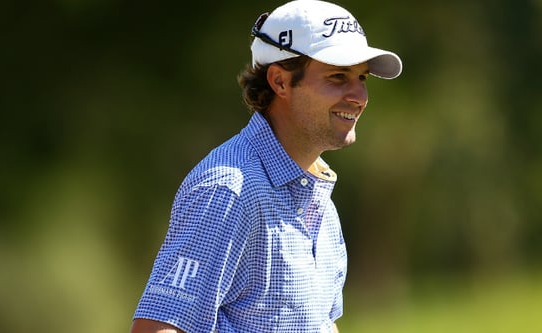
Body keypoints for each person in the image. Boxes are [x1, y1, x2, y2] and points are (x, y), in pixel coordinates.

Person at [130, 0, 402, 332]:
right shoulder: (227, 191)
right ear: (280, 82)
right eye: (337, 76)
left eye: (362, 78)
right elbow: (157, 328)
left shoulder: (321, 203)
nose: (359, 95)